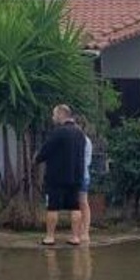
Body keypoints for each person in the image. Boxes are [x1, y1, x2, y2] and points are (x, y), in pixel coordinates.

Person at [34, 104, 86, 246]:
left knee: (53, 207)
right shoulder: (80, 133)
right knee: (75, 207)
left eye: (54, 115)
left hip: (57, 176)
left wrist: (37, 159)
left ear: (61, 115)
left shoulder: (58, 132)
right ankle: (75, 237)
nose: (52, 117)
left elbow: (45, 151)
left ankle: (50, 237)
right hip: (76, 176)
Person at [75, 116, 94, 244]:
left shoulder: (84, 141)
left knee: (82, 202)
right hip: (73, 175)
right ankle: (78, 232)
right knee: (76, 204)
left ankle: (85, 232)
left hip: (81, 175)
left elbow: (85, 161)